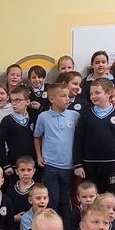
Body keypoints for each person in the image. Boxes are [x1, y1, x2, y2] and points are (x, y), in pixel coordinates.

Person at [73, 78, 115, 194]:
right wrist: (78, 164)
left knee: (109, 196)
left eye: (97, 93)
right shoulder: (86, 113)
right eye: (91, 94)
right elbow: (78, 140)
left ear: (108, 93)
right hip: (89, 164)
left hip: (111, 164)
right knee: (91, 196)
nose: (93, 96)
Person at [34, 83, 80, 213]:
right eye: (63, 96)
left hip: (68, 165)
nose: (67, 99)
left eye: (68, 96)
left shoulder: (74, 115)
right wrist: (39, 156)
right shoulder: (43, 117)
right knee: (53, 198)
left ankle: (65, 224)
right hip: (50, 165)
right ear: (52, 99)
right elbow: (37, 136)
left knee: (65, 199)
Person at [0, 85, 35, 175]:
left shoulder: (34, 118)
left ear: (27, 102)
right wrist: (5, 164)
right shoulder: (7, 120)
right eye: (12, 100)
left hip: (32, 165)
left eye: (18, 100)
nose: (14, 103)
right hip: (14, 165)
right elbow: (0, 143)